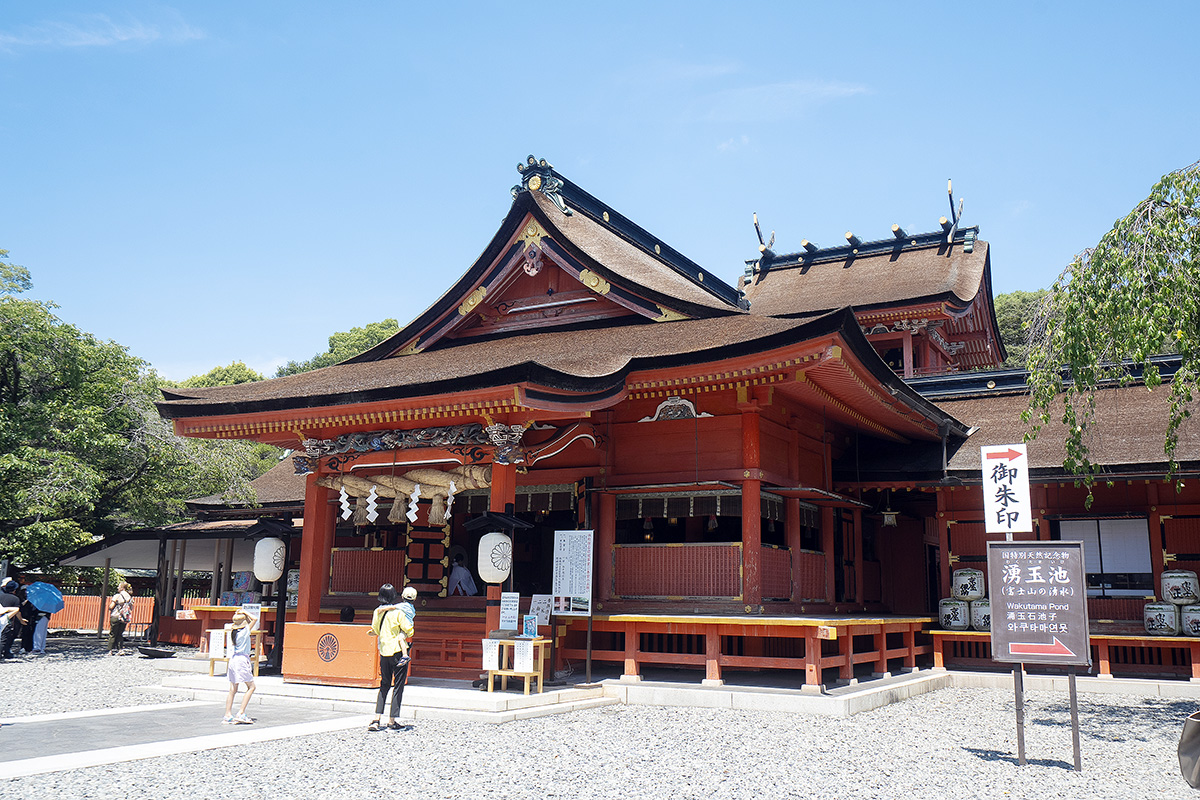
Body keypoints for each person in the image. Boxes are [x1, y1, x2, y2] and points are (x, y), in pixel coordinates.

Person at [366, 584, 415, 731]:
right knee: (398, 686)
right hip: (398, 653)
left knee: (384, 685)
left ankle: (376, 719)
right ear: (394, 596)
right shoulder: (398, 613)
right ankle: (392, 720)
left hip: (384, 652)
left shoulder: (377, 612)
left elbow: (375, 629)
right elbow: (409, 630)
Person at [223, 609, 258, 724]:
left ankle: (228, 714)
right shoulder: (245, 631)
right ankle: (241, 712)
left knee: (233, 689)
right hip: (242, 660)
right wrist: (245, 611)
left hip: (233, 659)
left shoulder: (234, 633)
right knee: (251, 687)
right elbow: (255, 618)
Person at [107, 582, 134, 653]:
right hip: (124, 617)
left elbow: (111, 606)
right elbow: (131, 608)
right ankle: (120, 649)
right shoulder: (129, 597)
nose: (117, 588)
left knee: (113, 633)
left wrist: (109, 608)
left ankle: (111, 650)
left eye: (119, 587)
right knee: (120, 633)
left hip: (115, 616)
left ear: (122, 588)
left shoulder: (117, 596)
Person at [0, 579, 22, 660]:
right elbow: (17, 611)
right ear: (14, 590)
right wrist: (21, 620)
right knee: (4, 638)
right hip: (7, 619)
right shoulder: (15, 599)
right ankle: (5, 652)